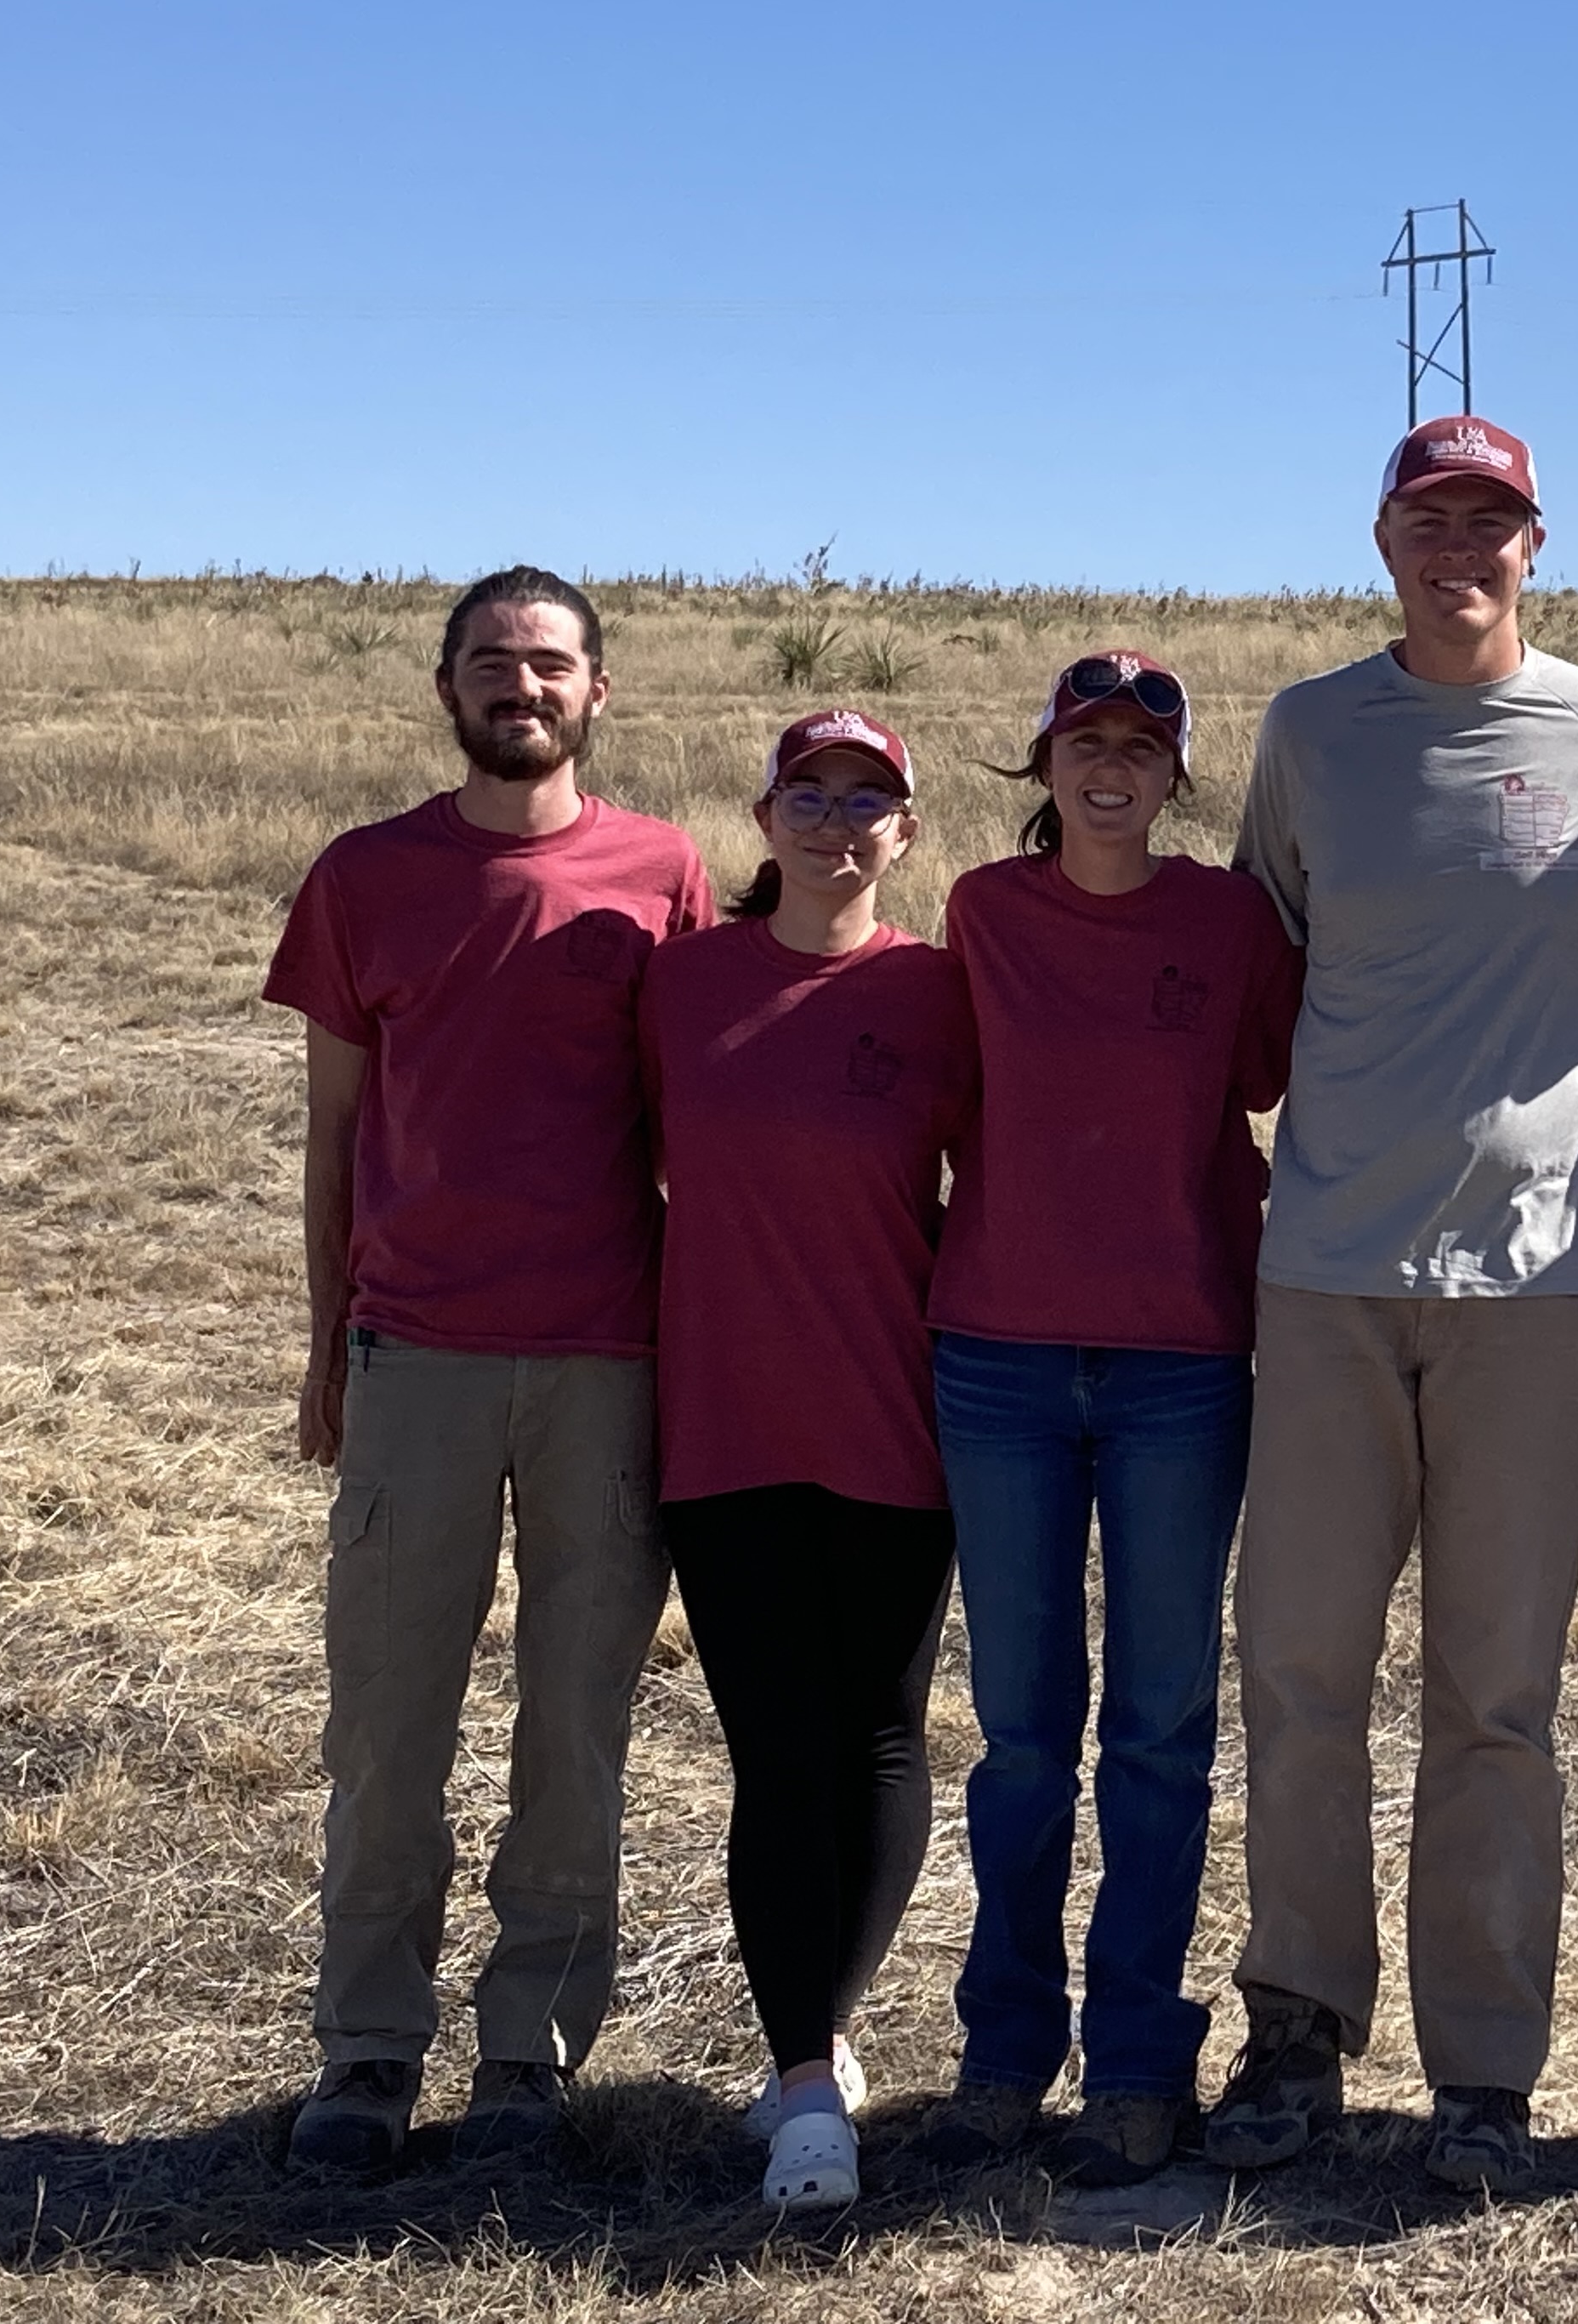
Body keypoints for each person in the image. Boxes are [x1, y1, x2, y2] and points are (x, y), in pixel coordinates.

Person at [1212, 415, 1578, 2188]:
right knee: (1303, 1673)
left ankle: (1486, 2067)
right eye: (1429, 519)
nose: (1458, 549)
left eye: (1489, 521)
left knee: (1498, 1696)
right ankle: (1295, 2031)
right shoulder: (1310, 734)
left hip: (1528, 1296)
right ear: (1384, 537)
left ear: (1537, 543)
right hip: (1324, 1272)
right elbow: (1258, 956)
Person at [263, 568, 710, 2176]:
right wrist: (327, 1347)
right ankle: (370, 2050)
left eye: (550, 663)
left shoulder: (665, 876)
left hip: (607, 1358)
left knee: (574, 1722)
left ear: (600, 693)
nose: (520, 686)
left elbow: (695, 1132)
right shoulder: (365, 878)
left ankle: (531, 2052)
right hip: (420, 1360)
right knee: (389, 1723)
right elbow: (328, 1136)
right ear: (444, 688)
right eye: (491, 662)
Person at [918, 652, 1302, 2189]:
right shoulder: (980, 916)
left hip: (1180, 1364)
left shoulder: (1227, 924)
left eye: (1144, 747)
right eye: (1086, 741)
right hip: (1000, 1358)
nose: (1112, 768)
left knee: (1158, 1731)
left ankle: (1139, 2064)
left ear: (1175, 775)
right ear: (1045, 762)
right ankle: (1004, 2055)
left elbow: (1283, 1079)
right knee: (1019, 1737)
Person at [639, 709, 974, 2214]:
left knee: (882, 1742)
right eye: (813, 794)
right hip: (722, 1422)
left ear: (905, 834)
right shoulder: (678, 985)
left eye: (871, 801)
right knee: (775, 1751)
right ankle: (804, 2079)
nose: (841, 821)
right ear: (763, 817)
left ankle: (822, 2032)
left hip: (897, 1416)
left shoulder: (943, 996)